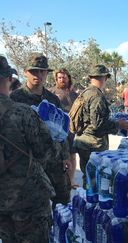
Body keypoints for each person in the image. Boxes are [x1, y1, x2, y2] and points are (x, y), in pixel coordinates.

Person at [0, 56, 61, 242]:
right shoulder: (23, 112)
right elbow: (47, 153)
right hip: (30, 199)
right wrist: (56, 138)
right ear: (10, 78)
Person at [10, 53, 71, 207]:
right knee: (33, 210)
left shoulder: (52, 99)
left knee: (62, 201)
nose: (38, 75)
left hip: (54, 160)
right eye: (34, 71)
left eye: (42, 71)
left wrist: (65, 156)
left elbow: (62, 131)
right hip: (29, 163)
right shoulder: (15, 99)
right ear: (25, 72)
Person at [73, 65, 128, 186]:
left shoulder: (86, 92)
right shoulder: (96, 96)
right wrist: (118, 124)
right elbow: (98, 124)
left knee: (88, 175)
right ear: (105, 77)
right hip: (93, 144)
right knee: (95, 178)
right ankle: (92, 201)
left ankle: (88, 197)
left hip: (84, 141)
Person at [49, 68, 79, 188]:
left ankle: (70, 181)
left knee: (72, 155)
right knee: (57, 157)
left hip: (71, 130)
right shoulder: (51, 92)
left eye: (64, 77)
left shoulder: (74, 93)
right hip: (56, 130)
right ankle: (56, 183)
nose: (62, 80)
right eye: (59, 77)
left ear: (68, 78)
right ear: (56, 79)